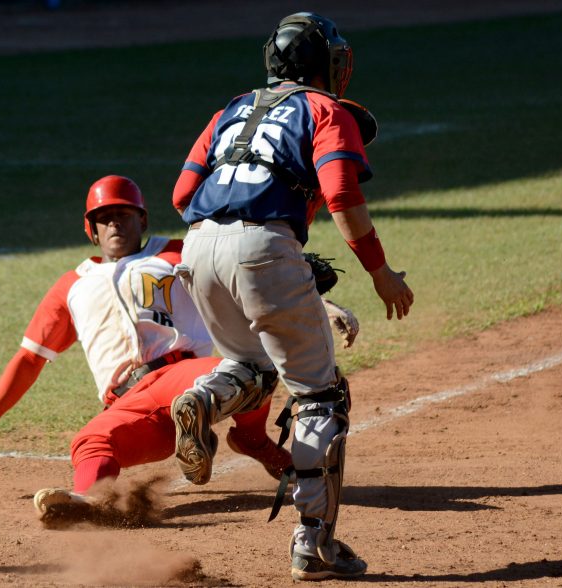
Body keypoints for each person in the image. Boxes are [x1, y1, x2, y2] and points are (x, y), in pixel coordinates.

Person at [0, 175, 353, 514]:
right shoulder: (71, 286)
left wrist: (321, 304)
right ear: (91, 228)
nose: (115, 224)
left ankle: (251, 438)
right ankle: (93, 503)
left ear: (143, 220)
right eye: (104, 218)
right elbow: (31, 357)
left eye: (124, 214)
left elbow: (246, 283)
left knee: (242, 366)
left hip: (186, 374)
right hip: (130, 402)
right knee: (89, 442)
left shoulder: (179, 254)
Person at [170, 12, 414, 581]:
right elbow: (342, 195)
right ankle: (315, 545)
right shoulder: (327, 110)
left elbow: (184, 193)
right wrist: (379, 272)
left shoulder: (232, 108)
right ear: (324, 64)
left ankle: (205, 401)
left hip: (198, 248)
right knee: (321, 397)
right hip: (262, 247)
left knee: (249, 364)